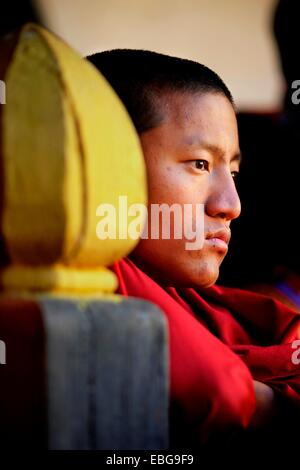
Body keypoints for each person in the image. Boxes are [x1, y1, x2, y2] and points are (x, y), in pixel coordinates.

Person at [87, 50, 300, 450]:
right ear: (105, 165)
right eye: (200, 164)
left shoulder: (223, 315)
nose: (231, 205)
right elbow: (214, 390)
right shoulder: (82, 277)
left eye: (233, 173)